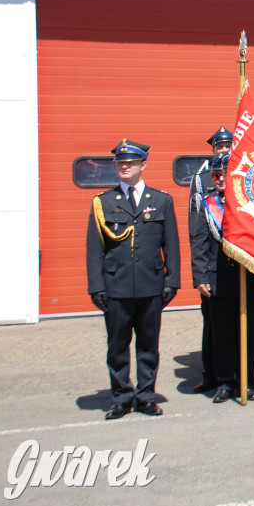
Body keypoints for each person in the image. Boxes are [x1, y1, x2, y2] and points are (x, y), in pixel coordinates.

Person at [86, 139, 180, 419]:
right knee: (117, 346)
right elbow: (94, 249)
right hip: (116, 287)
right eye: (120, 163)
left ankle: (146, 396)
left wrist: (171, 281)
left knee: (149, 344)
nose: (124, 166)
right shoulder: (103, 202)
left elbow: (171, 244)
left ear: (143, 165)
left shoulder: (161, 200)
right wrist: (96, 286)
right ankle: (122, 397)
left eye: (130, 162)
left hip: (151, 285)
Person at [189, 154, 254, 402]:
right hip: (218, 279)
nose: (220, 178)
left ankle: (245, 378)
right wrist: (200, 276)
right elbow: (199, 243)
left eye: (224, 174)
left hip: (248, 279)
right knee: (222, 332)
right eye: (215, 175)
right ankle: (224, 381)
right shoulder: (207, 204)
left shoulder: (251, 204)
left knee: (249, 332)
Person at [187, 126, 232, 393]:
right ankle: (210, 374)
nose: (224, 150)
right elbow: (197, 227)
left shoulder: (241, 176)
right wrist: (199, 271)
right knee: (211, 324)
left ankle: (239, 374)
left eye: (228, 146)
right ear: (213, 150)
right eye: (220, 148)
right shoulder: (202, 179)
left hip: (235, 265)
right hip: (212, 265)